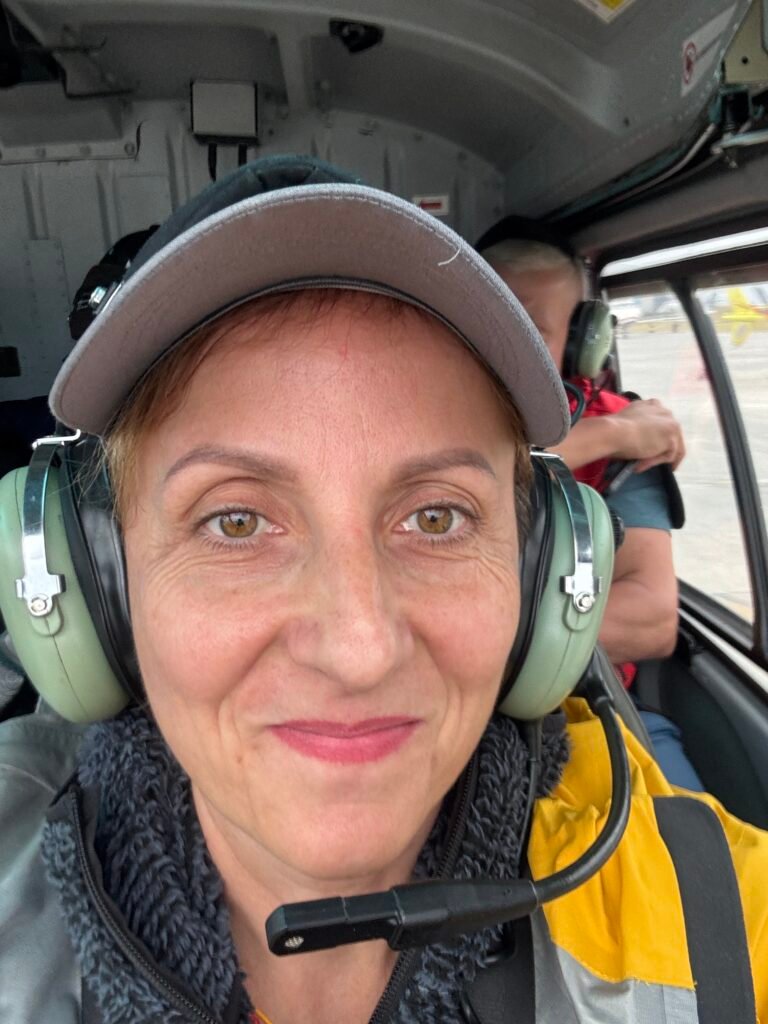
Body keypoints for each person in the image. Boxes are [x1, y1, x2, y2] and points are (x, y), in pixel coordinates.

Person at [0, 157, 765, 1024]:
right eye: (236, 522)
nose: (359, 649)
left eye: (437, 517)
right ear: (96, 584)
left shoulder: (711, 919)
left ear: (542, 569)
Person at [479, 226, 703, 791]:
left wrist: (470, 638)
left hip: (592, 709)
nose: (501, 345)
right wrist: (603, 437)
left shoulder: (629, 440)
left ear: (585, 343)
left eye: (530, 328)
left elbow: (651, 619)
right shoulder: (424, 412)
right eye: (489, 319)